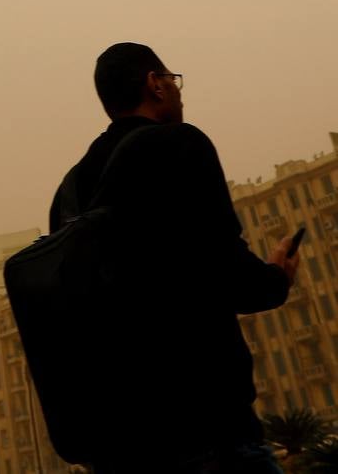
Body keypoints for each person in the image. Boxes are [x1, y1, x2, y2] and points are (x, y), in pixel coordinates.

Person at [49, 43, 297, 474]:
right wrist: (276, 275)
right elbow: (227, 272)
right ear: (155, 85)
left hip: (117, 440)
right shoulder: (179, 145)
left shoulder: (69, 191)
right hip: (204, 427)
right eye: (173, 80)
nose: (178, 92)